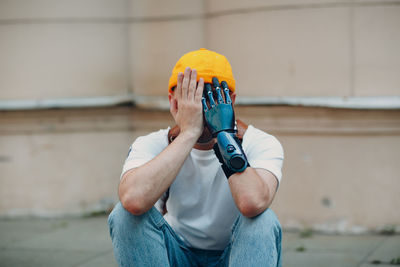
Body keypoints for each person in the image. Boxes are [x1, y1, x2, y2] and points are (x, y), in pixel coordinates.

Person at [108, 48, 284, 267]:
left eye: (212, 97)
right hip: (176, 254)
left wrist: (224, 135)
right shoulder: (153, 143)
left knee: (262, 221)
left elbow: (252, 203)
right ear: (174, 103)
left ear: (231, 101)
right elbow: (133, 200)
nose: (203, 108)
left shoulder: (260, 143)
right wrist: (189, 133)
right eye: (191, 96)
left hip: (235, 255)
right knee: (124, 216)